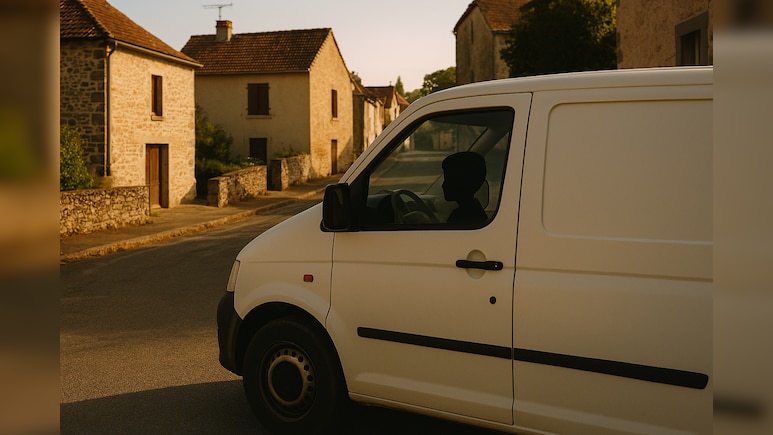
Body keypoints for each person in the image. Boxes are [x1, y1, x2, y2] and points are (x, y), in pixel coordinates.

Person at [441, 151, 488, 224]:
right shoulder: (475, 212)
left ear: (461, 183)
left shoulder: (461, 218)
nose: (443, 185)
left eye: (449, 180)